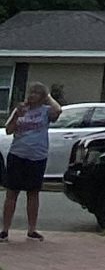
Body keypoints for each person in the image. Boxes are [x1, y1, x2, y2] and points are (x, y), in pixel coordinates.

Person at [1, 83, 61, 241]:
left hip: (37, 156)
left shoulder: (46, 111)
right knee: (12, 192)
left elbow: (58, 111)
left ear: (42, 97)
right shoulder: (21, 110)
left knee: (33, 193)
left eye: (37, 93)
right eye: (31, 92)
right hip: (17, 154)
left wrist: (48, 96)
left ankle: (32, 229)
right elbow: (8, 129)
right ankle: (5, 230)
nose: (32, 95)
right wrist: (16, 115)